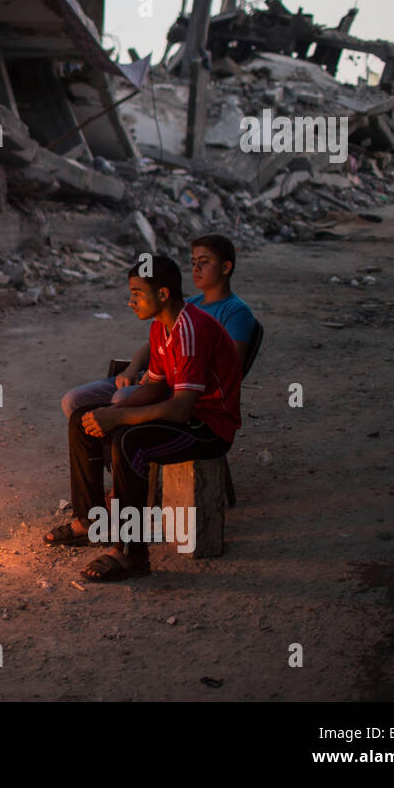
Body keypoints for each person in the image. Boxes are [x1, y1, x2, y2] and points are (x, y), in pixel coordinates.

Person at [46, 255, 241, 582]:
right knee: (83, 418)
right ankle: (90, 521)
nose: (130, 300)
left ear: (163, 295)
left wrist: (120, 420)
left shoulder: (189, 330)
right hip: (186, 416)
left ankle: (131, 552)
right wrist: (111, 412)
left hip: (209, 426)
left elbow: (181, 408)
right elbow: (154, 388)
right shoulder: (160, 328)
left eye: (137, 293)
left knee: (128, 442)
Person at [59, 234, 255, 421]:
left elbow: (229, 368)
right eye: (194, 262)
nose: (196, 268)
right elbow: (155, 346)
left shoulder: (235, 312)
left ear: (225, 267)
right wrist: (131, 370)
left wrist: (169, 381)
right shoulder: (187, 305)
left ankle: (124, 452)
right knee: (74, 400)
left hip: (185, 389)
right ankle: (104, 451)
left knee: (121, 400)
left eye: (204, 262)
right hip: (153, 378)